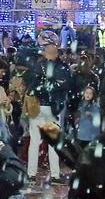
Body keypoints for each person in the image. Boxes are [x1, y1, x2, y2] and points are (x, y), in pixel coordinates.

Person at [21, 36, 74, 183]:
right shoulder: (62, 68)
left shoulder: (37, 66)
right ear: (56, 53)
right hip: (53, 108)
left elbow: (29, 82)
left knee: (34, 141)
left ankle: (31, 174)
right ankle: (55, 175)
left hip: (36, 106)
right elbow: (66, 85)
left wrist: (40, 88)